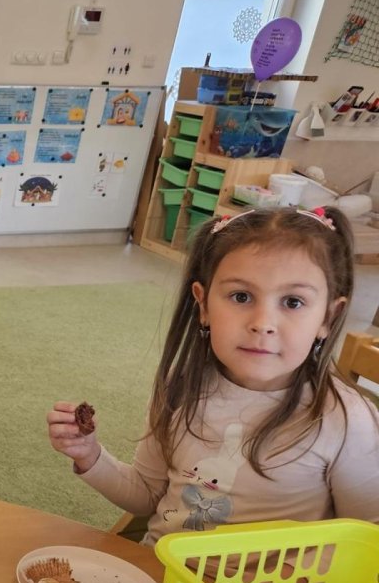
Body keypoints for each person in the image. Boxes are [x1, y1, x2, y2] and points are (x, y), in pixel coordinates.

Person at [48, 206, 379, 545]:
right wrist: (90, 456)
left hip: (279, 582)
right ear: (203, 304)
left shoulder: (347, 420)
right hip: (159, 567)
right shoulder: (180, 388)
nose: (262, 323)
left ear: (328, 317)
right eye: (241, 296)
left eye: (293, 302)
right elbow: (146, 496)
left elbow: (368, 540)